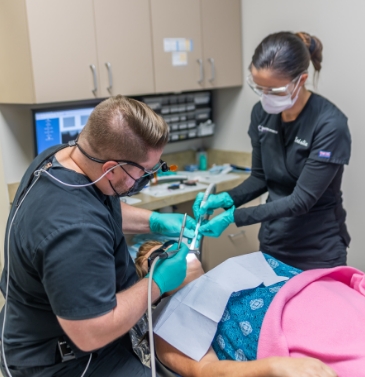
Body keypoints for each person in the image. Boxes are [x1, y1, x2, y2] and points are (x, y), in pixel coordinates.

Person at [0, 95, 197, 377]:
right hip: (67, 361)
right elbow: (91, 333)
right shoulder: (74, 230)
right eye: (144, 172)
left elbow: (97, 206)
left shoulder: (64, 157)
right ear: (111, 169)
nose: (148, 179)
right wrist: (157, 282)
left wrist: (154, 221)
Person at [193, 31, 351, 270]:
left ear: (302, 79)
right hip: (273, 242)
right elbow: (260, 177)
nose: (266, 98)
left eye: (274, 91)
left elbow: (301, 201)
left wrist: (234, 217)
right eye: (260, 88)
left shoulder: (329, 125)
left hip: (318, 249)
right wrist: (226, 198)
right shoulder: (261, 114)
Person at [153, 252, 365, 377]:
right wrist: (273, 366)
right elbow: (207, 371)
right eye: (157, 255)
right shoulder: (167, 324)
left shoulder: (240, 265)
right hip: (300, 335)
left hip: (332, 299)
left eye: (174, 243)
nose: (172, 250)